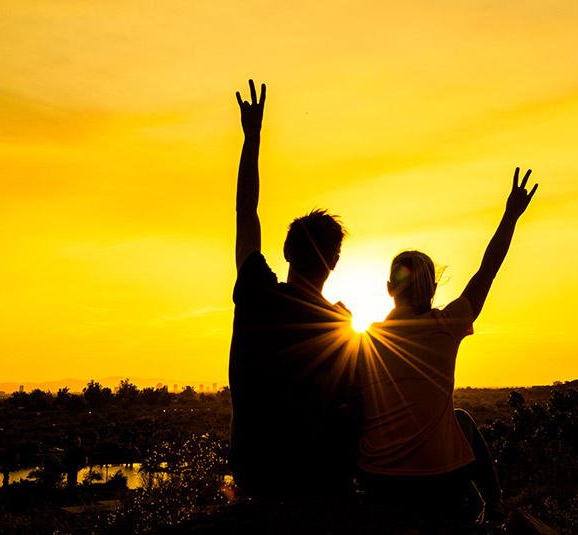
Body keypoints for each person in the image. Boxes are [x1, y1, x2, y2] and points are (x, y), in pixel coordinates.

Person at [357, 168, 538, 522]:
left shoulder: (365, 342)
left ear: (389, 289)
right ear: (433, 289)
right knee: (462, 420)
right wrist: (510, 216)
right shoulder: (446, 326)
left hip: (378, 481)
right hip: (437, 481)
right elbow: (488, 270)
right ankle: (494, 504)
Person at [228, 80, 360, 499]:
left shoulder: (256, 292)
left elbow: (245, 212)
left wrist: (252, 139)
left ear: (286, 250)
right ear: (336, 263)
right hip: (318, 476)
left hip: (254, 471)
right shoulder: (341, 324)